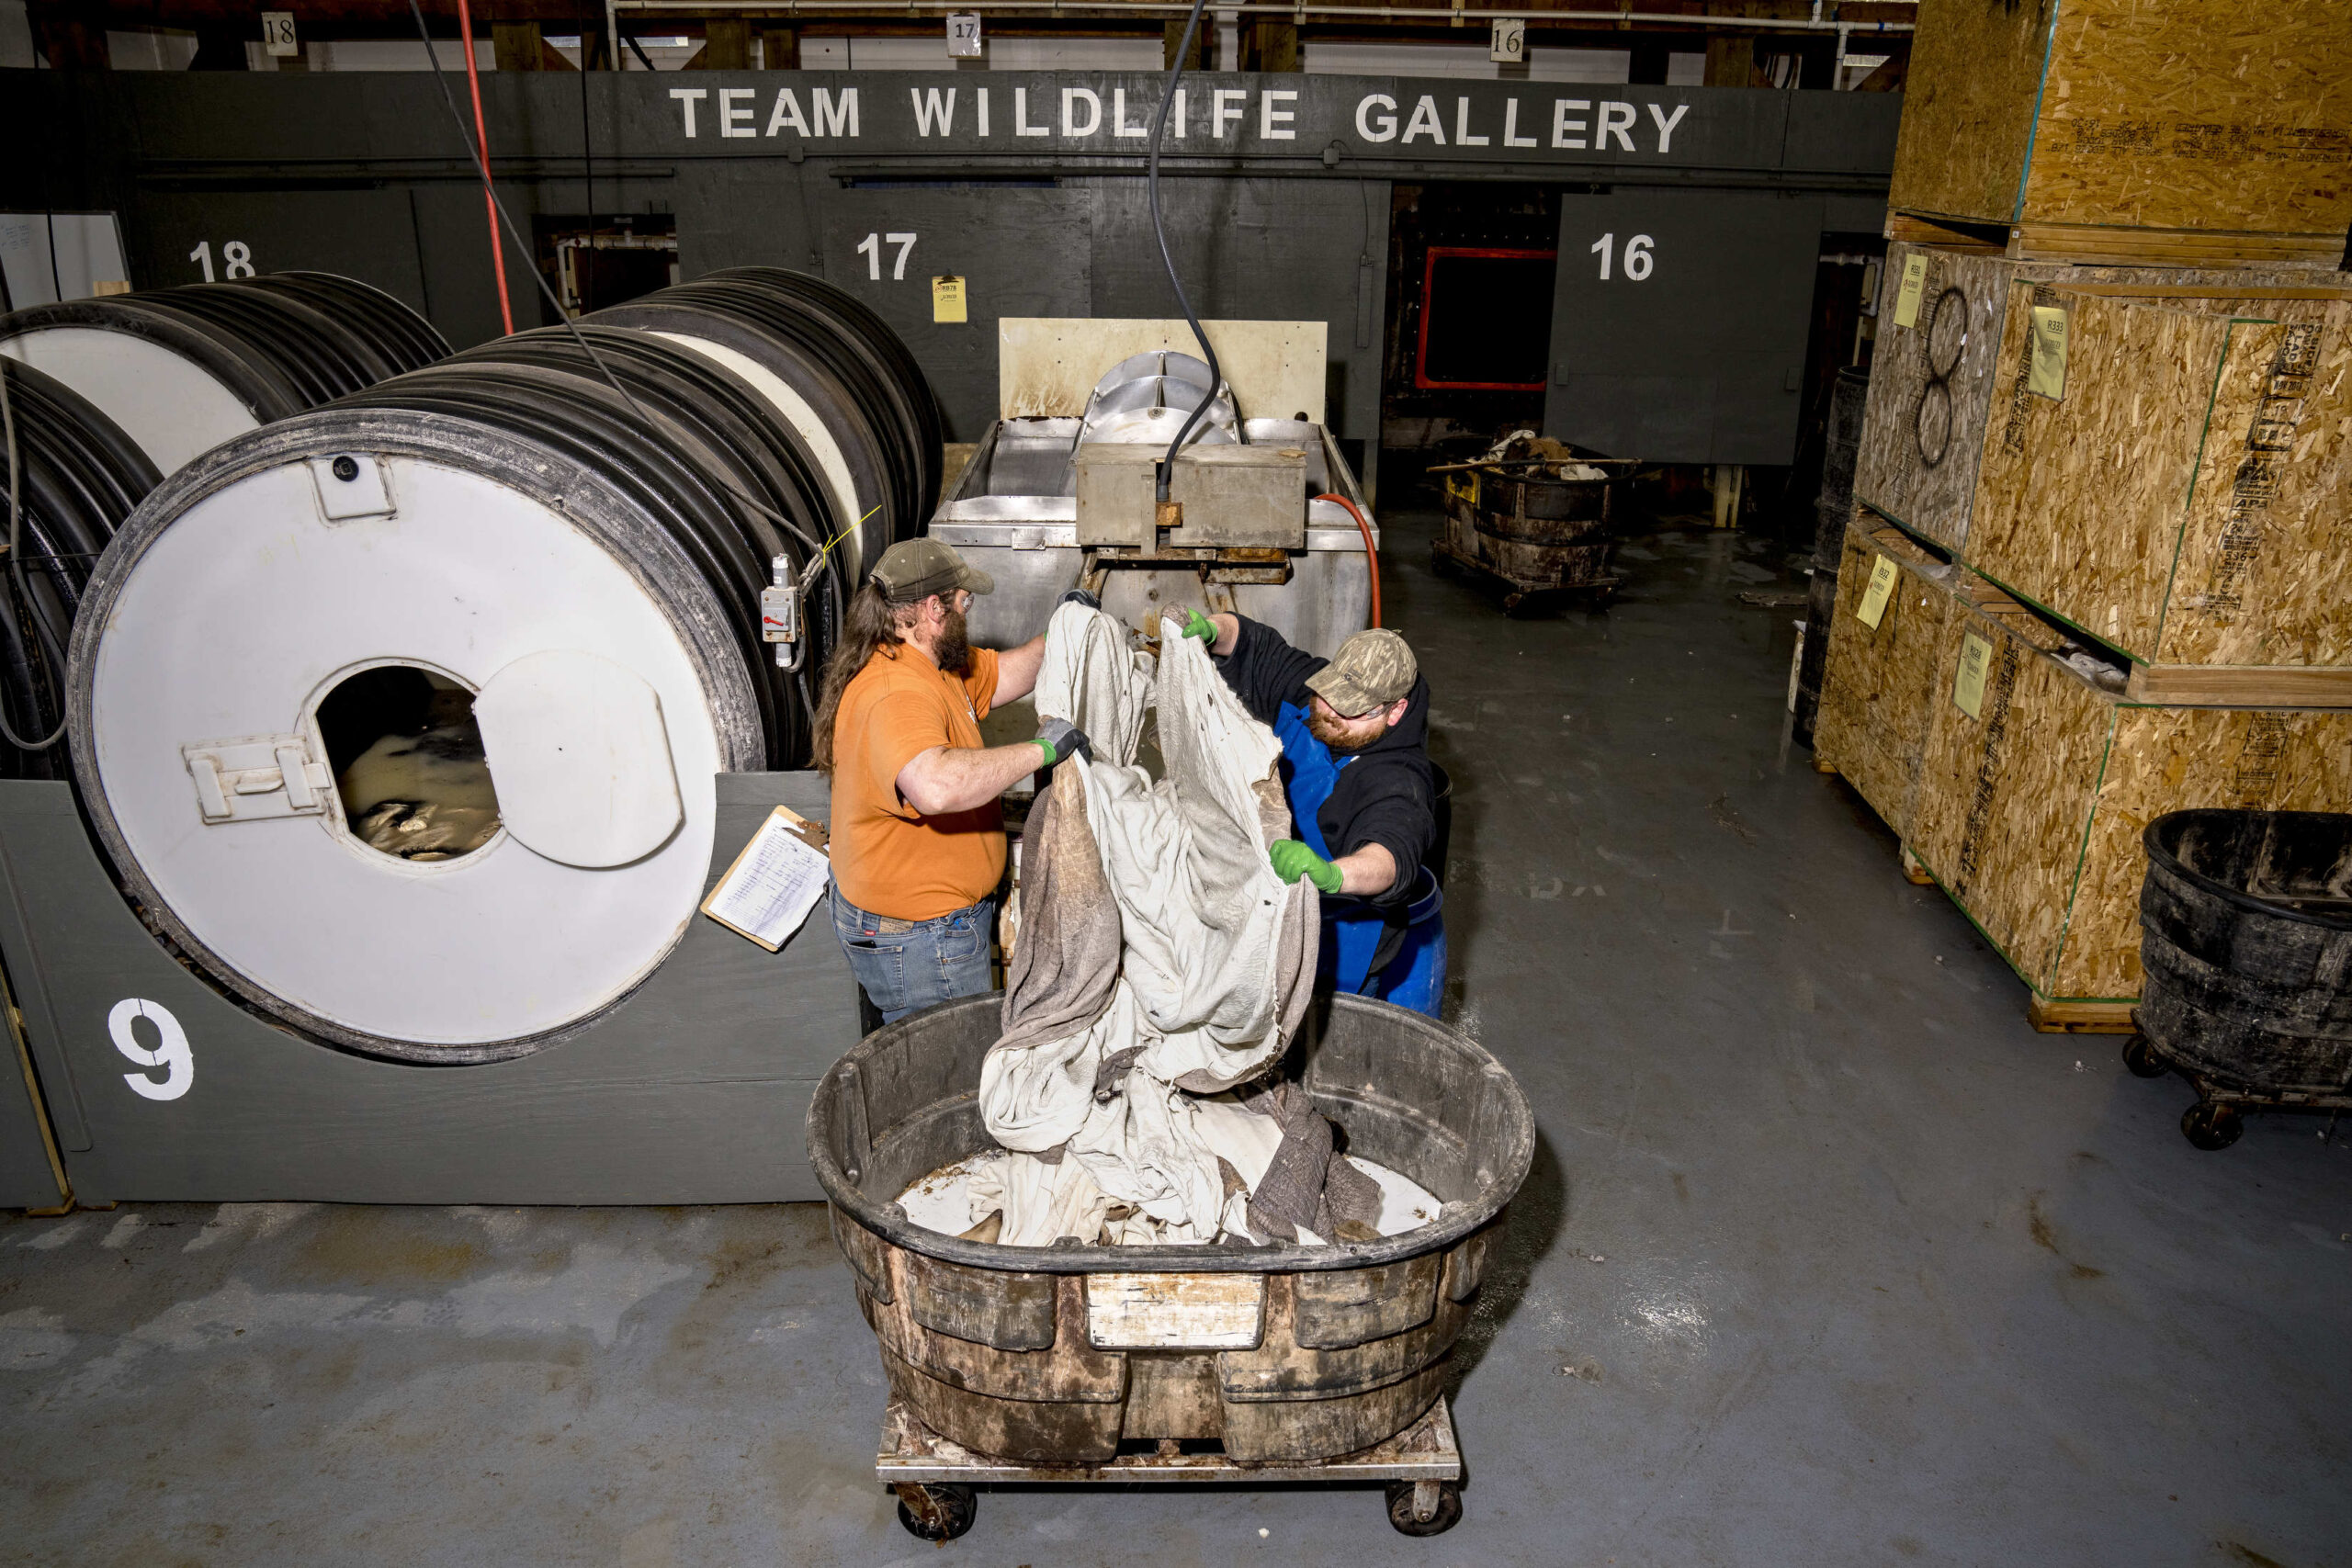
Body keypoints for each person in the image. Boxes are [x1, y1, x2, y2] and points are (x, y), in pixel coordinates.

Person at [813, 538, 1092, 1023]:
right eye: (965, 602)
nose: (970, 611)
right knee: (953, 1070)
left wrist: (1063, 630)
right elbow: (935, 785)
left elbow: (1007, 673)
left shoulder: (930, 661)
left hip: (933, 924)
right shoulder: (893, 692)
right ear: (932, 608)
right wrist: (1041, 750)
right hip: (921, 937)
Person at [1179, 609, 1442, 1013]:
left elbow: (1391, 856)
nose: (1331, 711)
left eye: (1351, 709)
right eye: (1329, 695)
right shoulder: (1317, 693)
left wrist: (1332, 873)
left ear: (1395, 711)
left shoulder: (1399, 780)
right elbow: (1254, 645)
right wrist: (1215, 630)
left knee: (1320, 1043)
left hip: (1340, 941)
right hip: (1262, 913)